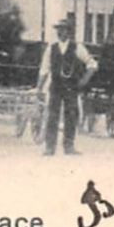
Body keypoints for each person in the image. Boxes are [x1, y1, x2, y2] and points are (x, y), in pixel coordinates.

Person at [38, 16, 96, 156]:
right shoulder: (51, 49)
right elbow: (44, 69)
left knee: (71, 115)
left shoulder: (77, 47)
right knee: (52, 116)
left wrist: (84, 80)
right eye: (58, 29)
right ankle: (49, 147)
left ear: (68, 32)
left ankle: (69, 146)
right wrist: (39, 88)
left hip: (71, 86)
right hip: (56, 86)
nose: (60, 32)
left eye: (63, 30)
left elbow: (92, 64)